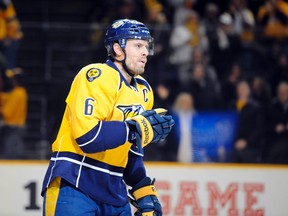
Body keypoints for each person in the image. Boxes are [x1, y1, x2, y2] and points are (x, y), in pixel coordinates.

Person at [41, 19, 174, 216]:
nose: (145, 52)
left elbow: (132, 151)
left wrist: (142, 188)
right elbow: (88, 138)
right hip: (75, 181)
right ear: (118, 49)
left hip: (114, 191)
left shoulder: (144, 90)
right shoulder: (95, 75)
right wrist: (135, 128)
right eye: (138, 45)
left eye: (146, 46)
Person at [0, 68, 27, 159]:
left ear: (16, 80)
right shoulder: (19, 92)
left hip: (12, 128)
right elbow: (7, 98)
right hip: (15, 128)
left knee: (10, 154)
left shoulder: (17, 93)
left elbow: (7, 112)